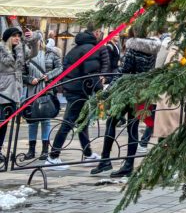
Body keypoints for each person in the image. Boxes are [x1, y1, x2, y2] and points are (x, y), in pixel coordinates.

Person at [92, 25, 160, 177]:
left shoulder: (133, 48)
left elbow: (123, 72)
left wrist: (108, 90)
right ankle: (128, 164)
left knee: (111, 122)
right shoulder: (153, 49)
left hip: (127, 91)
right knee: (132, 127)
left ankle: (106, 160)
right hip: (142, 92)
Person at [46, 30, 102, 164]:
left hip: (73, 89)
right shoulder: (90, 49)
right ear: (94, 36)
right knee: (68, 123)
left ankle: (88, 153)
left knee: (82, 122)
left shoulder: (75, 49)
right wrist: (99, 89)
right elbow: (91, 73)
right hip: (80, 91)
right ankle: (53, 157)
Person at [23, 33, 61, 161]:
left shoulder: (51, 53)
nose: (35, 43)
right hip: (31, 90)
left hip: (47, 89)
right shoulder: (27, 55)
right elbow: (21, 73)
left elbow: (60, 68)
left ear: (41, 41)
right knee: (32, 120)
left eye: (36, 41)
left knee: (45, 119)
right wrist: (29, 79)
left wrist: (48, 76)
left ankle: (45, 150)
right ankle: (31, 150)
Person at [0, 27, 26, 157]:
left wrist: (33, 39)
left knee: (5, 123)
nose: (17, 38)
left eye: (19, 36)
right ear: (8, 37)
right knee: (1, 122)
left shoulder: (18, 50)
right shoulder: (1, 50)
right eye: (15, 36)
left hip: (14, 92)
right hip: (2, 90)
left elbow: (34, 53)